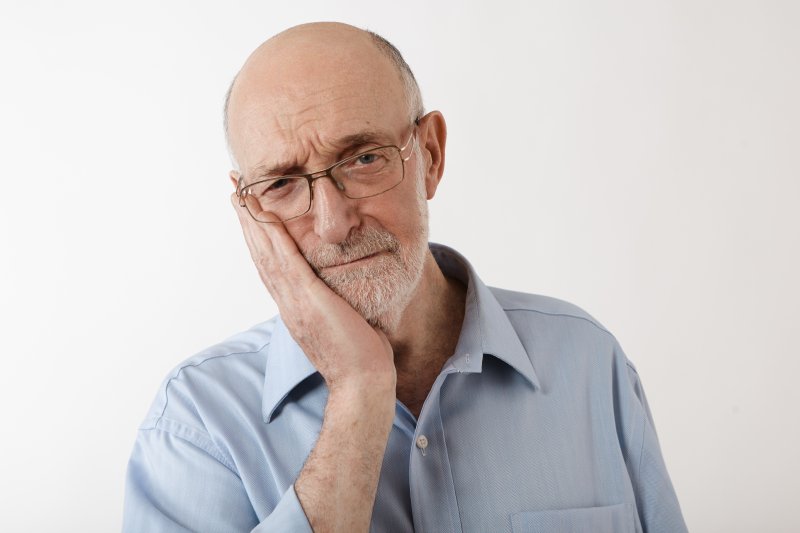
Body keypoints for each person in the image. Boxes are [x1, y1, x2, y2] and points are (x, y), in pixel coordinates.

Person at [123, 22, 687, 533]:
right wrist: (358, 393)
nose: (333, 223)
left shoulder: (587, 361)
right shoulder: (194, 424)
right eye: (281, 184)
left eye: (363, 159)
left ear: (431, 154)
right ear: (249, 210)